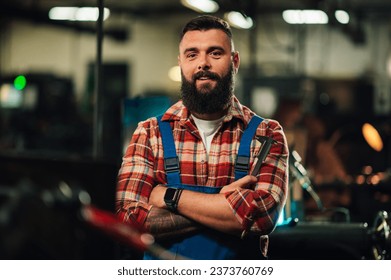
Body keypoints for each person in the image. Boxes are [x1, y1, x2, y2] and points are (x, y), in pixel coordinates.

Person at [116, 15, 289, 260]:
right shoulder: (149, 133)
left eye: (215, 53)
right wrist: (223, 206)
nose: (203, 63)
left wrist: (169, 196)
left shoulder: (266, 134)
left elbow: (260, 217)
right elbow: (128, 220)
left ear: (235, 61)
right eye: (192, 54)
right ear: (181, 62)